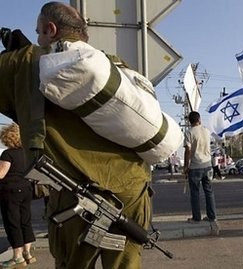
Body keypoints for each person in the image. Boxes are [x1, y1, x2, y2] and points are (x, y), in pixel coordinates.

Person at [0, 2, 152, 268]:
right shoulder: (116, 66)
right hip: (132, 192)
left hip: (76, 196)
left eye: (38, 32)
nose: (36, 39)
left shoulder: (26, 62)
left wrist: (20, 54)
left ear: (50, 28)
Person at [0, 123, 36, 268]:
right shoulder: (27, 152)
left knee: (12, 222)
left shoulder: (7, 154)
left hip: (10, 192)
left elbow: (1, 174)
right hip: (26, 189)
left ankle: (17, 257)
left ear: (7, 138)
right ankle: (28, 254)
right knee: (25, 221)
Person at [184, 111, 217, 222]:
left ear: (189, 121)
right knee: (209, 192)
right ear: (200, 119)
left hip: (195, 167)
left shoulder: (189, 133)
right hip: (208, 165)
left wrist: (186, 166)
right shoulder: (206, 131)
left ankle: (196, 217)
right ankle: (212, 216)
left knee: (195, 193)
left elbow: (188, 150)